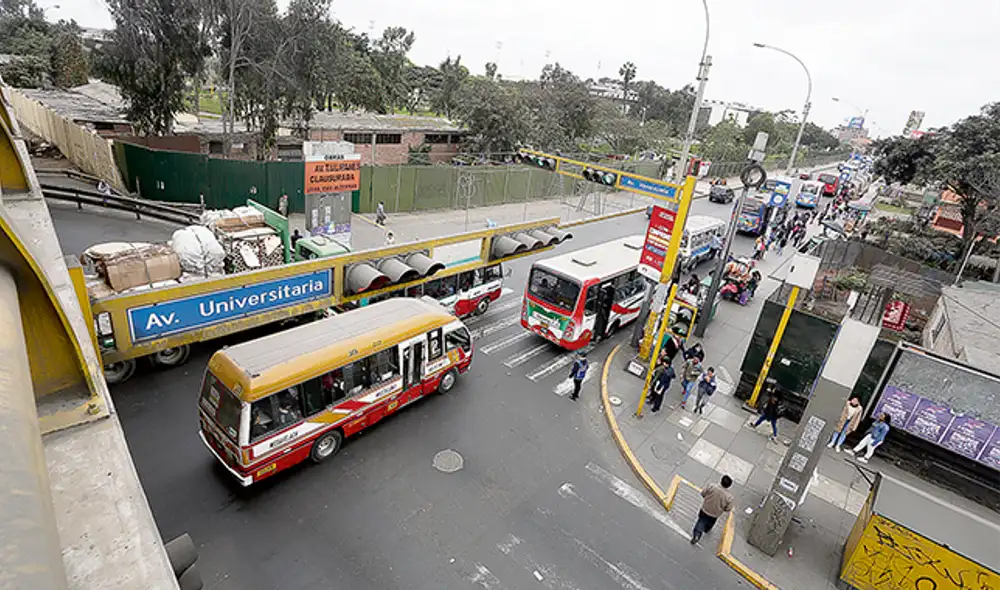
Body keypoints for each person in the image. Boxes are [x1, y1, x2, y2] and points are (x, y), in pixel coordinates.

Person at [691, 475, 734, 545]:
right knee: (710, 523)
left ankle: (696, 535)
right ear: (729, 486)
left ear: (721, 481)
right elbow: (728, 508)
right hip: (715, 514)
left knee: (700, 522)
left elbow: (703, 493)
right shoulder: (729, 497)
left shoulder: (712, 486)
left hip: (705, 510)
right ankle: (706, 529)